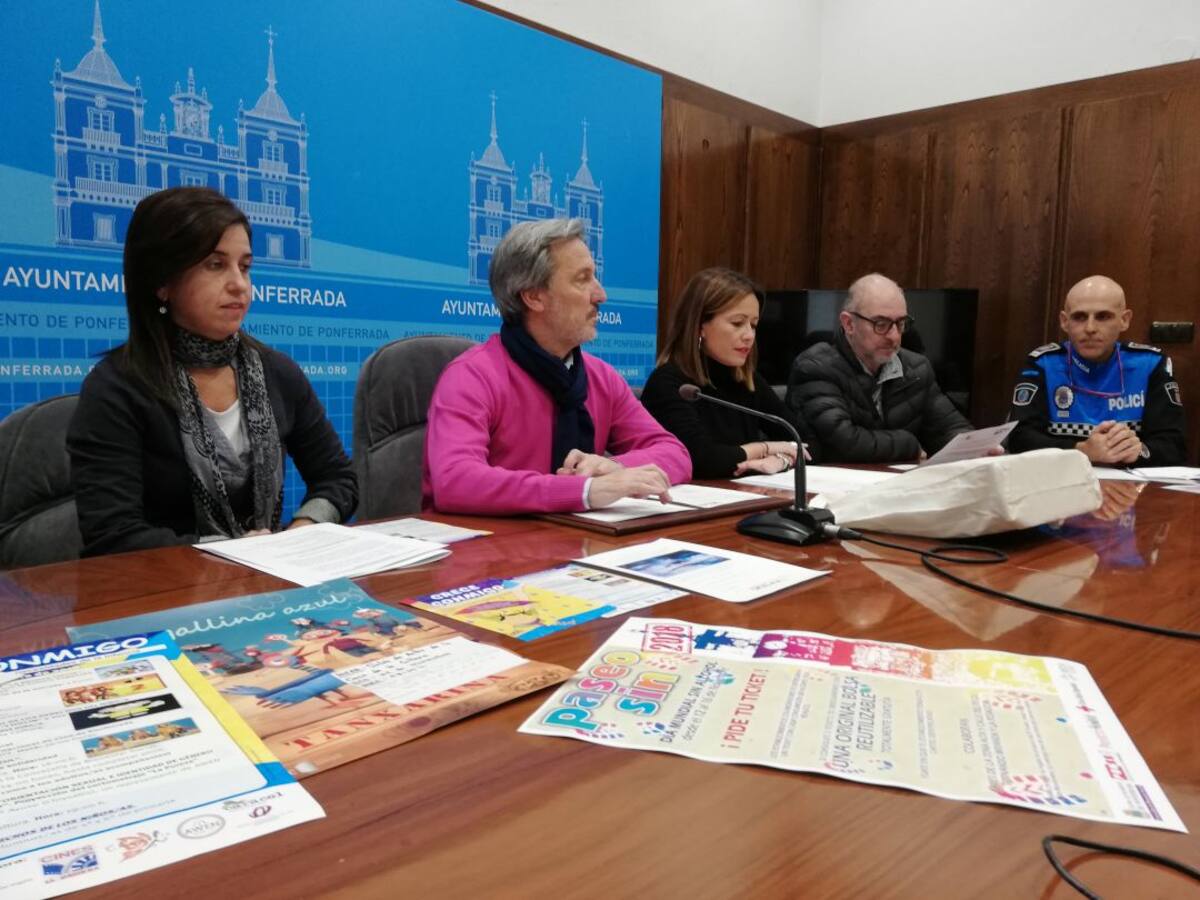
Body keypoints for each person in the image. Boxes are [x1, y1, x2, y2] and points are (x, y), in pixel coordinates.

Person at [67, 187, 357, 557]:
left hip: (272, 573)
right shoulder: (117, 388)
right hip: (169, 587)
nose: (239, 284)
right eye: (215, 265)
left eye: (245, 267)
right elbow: (113, 535)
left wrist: (300, 531)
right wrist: (233, 554)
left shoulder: (277, 373)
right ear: (163, 283)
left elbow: (338, 479)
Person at [422, 218, 691, 514]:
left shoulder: (601, 377)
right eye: (582, 279)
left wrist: (614, 467)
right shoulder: (471, 376)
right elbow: (455, 481)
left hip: (577, 537)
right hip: (490, 540)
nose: (601, 295)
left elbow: (675, 453)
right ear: (534, 296)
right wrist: (584, 491)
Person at [786, 273, 971, 462]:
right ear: (849, 324)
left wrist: (975, 448)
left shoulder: (916, 368)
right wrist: (909, 445)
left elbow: (950, 427)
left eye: (900, 323)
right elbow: (845, 443)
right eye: (881, 324)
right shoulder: (815, 367)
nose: (894, 336)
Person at [640, 267, 806, 478]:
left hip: (747, 493)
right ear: (700, 325)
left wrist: (781, 459)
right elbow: (701, 459)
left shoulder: (747, 380)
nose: (749, 335)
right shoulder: (669, 384)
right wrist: (765, 448)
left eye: (753, 325)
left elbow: (806, 441)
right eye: (737, 323)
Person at [1007, 275, 1186, 465]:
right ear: (1064, 321)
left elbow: (1175, 444)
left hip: (1127, 479)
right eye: (1079, 317)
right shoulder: (1043, 363)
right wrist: (1082, 450)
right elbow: (1019, 438)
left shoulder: (1149, 364)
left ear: (1124, 320)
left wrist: (1138, 451)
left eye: (1103, 317)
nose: (1090, 328)